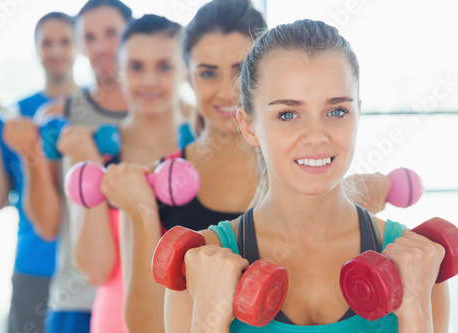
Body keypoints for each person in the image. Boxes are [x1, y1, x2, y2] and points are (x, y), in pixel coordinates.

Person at [97, 1, 396, 332]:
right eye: (208, 72)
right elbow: (146, 326)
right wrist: (142, 214)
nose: (231, 90)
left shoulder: (318, 174)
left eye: (241, 70)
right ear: (189, 76)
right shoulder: (159, 185)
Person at [165, 19, 450, 332]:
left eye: (337, 111)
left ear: (358, 114)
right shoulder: (199, 265)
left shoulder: (419, 260)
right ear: (248, 127)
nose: (316, 136)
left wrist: (414, 313)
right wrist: (210, 317)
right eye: (288, 114)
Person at [2, 1, 132, 332]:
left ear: (131, 35)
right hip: (76, 303)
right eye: (89, 37)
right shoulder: (56, 115)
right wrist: (30, 153)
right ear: (79, 45)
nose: (101, 46)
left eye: (111, 34)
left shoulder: (170, 115)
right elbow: (46, 226)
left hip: (146, 297)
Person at [75, 14, 185, 333]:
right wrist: (91, 165)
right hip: (113, 323)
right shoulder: (96, 152)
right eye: (136, 67)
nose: (149, 80)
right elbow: (95, 272)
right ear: (120, 71)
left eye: (164, 66)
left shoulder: (202, 151)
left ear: (185, 69)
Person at [0, 12, 77, 333]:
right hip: (33, 262)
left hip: (85, 267)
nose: (56, 50)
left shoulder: (95, 109)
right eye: (47, 42)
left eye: (64, 41)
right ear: (37, 50)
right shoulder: (17, 112)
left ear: (77, 48)